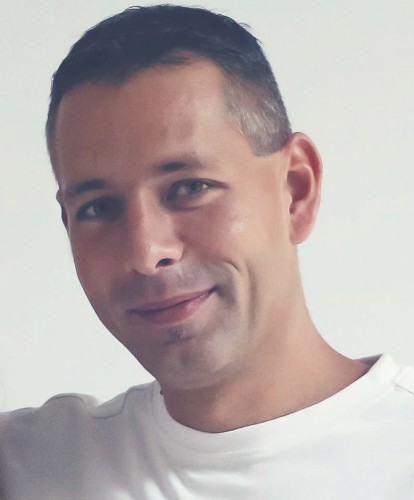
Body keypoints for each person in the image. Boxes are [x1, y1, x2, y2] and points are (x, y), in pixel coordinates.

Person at [0, 5, 413, 499]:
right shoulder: (28, 466)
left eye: (190, 187)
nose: (146, 252)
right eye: (99, 208)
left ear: (295, 190)